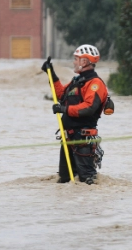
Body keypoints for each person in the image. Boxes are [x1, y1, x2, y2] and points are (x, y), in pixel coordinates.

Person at [41, 45, 111, 185]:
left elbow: (89, 108)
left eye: (76, 59)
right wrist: (51, 74)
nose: (73, 62)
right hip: (68, 139)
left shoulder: (95, 84)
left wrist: (65, 109)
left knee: (87, 182)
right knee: (65, 180)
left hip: (83, 140)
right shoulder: (76, 81)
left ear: (84, 62)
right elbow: (60, 94)